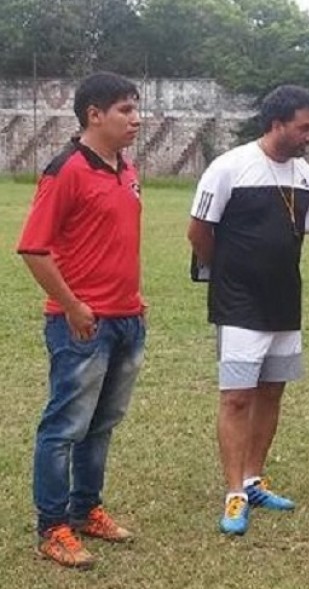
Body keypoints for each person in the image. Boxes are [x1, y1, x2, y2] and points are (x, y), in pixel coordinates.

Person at [16, 72, 145, 569]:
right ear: (94, 115)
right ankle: (52, 528)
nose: (136, 119)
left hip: (127, 319)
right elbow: (34, 249)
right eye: (125, 110)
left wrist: (135, 300)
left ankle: (86, 508)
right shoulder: (65, 169)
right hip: (82, 325)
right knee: (65, 426)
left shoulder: (126, 168)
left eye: (136, 109)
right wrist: (72, 305)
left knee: (101, 423)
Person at [187, 85, 309, 535]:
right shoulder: (229, 167)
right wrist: (228, 276)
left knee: (271, 392)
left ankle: (253, 479)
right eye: (303, 128)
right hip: (239, 302)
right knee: (237, 396)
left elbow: (298, 239)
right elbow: (198, 232)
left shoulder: (308, 177)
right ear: (277, 123)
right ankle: (234, 494)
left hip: (285, 300)